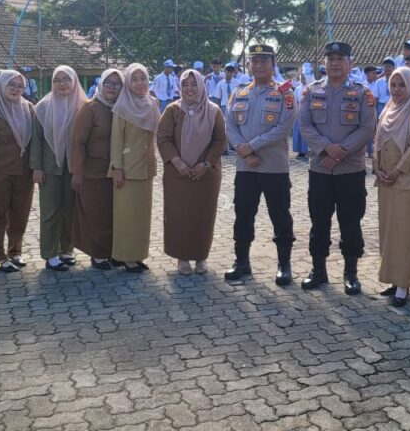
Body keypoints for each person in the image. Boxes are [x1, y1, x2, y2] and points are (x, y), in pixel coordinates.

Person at [299, 41, 378, 294]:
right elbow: (305, 125)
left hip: (350, 170)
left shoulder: (362, 93)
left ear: (350, 63)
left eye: (340, 59)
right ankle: (318, 271)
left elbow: (367, 128)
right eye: (330, 59)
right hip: (320, 169)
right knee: (319, 221)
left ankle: (350, 273)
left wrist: (340, 152)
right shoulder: (311, 91)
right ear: (324, 63)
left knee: (351, 221)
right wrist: (326, 148)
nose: (334, 63)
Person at [222, 45, 298, 284]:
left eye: (264, 61)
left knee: (280, 215)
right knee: (243, 214)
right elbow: (229, 125)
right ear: (248, 65)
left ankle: (284, 265)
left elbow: (284, 127)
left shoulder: (285, 94)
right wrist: (244, 152)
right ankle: (241, 262)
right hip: (246, 168)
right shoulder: (239, 92)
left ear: (273, 64)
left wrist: (251, 146)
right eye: (254, 61)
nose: (259, 66)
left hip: (274, 168)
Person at [157, 69, 227, 275]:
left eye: (193, 84)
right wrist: (177, 162)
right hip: (177, 175)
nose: (189, 89)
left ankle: (201, 257)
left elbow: (220, 139)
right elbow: (163, 138)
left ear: (201, 86)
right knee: (179, 216)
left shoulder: (213, 111)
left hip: (206, 175)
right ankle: (182, 257)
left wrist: (206, 164)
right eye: (185, 84)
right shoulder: (172, 110)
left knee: (203, 215)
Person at [373, 67, 410, 307]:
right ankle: (391, 279)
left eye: (402, 85)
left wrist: (398, 170)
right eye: (393, 85)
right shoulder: (388, 108)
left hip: (407, 181)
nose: (396, 90)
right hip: (385, 181)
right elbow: (376, 140)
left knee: (404, 234)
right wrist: (376, 168)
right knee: (387, 232)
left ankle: (403, 284)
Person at [0, 69, 35, 272]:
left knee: (20, 214)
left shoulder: (28, 108)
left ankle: (15, 252)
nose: (16, 89)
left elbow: (34, 140)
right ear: (1, 85)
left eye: (20, 86)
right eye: (11, 85)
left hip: (24, 172)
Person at [32, 65, 88, 271]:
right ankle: (50, 253)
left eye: (66, 79)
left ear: (74, 81)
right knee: (50, 211)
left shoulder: (83, 106)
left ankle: (67, 250)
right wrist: (37, 167)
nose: (62, 84)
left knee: (70, 209)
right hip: (50, 168)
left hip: (73, 167)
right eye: (57, 80)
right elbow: (36, 140)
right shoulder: (42, 107)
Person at [109, 63, 160, 273]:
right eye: (134, 79)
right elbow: (116, 140)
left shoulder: (152, 103)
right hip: (127, 170)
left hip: (146, 168)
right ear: (128, 83)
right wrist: (117, 168)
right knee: (126, 216)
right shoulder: (122, 107)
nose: (140, 83)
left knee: (142, 216)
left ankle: (138, 254)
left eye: (143, 78)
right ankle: (125, 257)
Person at [70, 68, 122, 269]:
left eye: (117, 84)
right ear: (101, 84)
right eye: (108, 83)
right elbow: (78, 142)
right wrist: (77, 172)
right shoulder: (90, 108)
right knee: (96, 214)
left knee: (113, 214)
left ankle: (113, 251)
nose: (112, 88)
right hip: (93, 172)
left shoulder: (122, 108)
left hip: (116, 171)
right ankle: (98, 253)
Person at [292, 62, 315, 159]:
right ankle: (300, 151)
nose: (302, 79)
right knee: (298, 132)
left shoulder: (313, 88)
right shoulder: (298, 88)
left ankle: (307, 150)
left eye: (304, 77)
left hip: (308, 113)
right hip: (298, 113)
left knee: (307, 132)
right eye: (301, 77)